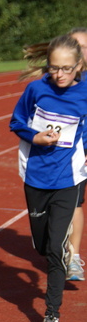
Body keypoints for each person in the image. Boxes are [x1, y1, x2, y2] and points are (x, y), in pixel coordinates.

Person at [10, 34, 87, 322]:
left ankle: (51, 317)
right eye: (54, 68)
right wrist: (35, 136)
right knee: (43, 247)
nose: (60, 75)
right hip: (35, 177)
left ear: (79, 65)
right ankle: (51, 244)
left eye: (67, 69)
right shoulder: (37, 89)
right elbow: (16, 123)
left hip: (68, 178)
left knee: (55, 249)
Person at [66, 27, 87, 280]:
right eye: (75, 45)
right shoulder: (58, 79)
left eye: (83, 47)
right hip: (58, 154)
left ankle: (74, 258)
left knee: (74, 203)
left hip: (81, 153)